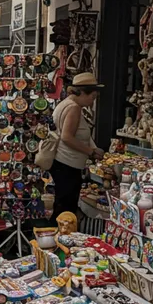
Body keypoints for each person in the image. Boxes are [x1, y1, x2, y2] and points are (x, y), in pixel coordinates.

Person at [51, 72, 104, 221]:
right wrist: (91, 152)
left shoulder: (65, 104)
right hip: (68, 164)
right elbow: (67, 137)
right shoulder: (74, 108)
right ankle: (61, 237)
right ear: (82, 93)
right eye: (92, 97)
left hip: (63, 163)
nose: (92, 102)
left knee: (62, 204)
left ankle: (58, 235)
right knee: (66, 208)